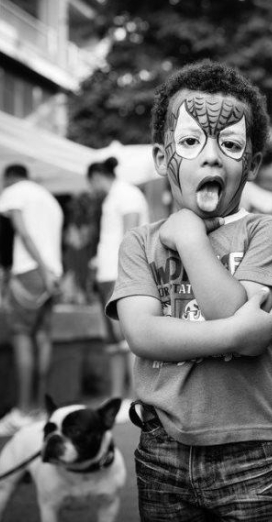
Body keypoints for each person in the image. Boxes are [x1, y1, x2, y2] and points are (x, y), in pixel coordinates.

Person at [106, 60, 272, 520]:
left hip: (251, 452)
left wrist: (191, 239)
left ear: (250, 164)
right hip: (161, 451)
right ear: (161, 158)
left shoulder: (266, 233)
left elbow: (228, 307)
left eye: (229, 144)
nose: (210, 156)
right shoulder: (139, 242)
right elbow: (143, 335)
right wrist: (237, 336)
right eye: (190, 141)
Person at [0, 164, 64, 437]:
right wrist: (49, 273)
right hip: (54, 272)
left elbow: (23, 232)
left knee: (22, 336)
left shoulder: (14, 192)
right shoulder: (49, 199)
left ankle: (23, 412)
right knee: (42, 337)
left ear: (8, 178)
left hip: (32, 271)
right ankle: (41, 410)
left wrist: (40, 269)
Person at [87, 157, 150, 411]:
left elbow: (130, 235)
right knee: (113, 342)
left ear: (96, 177)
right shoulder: (115, 196)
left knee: (127, 339)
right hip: (107, 273)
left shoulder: (126, 194)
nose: (92, 189)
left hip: (119, 274)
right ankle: (118, 399)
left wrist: (125, 273)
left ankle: (136, 399)